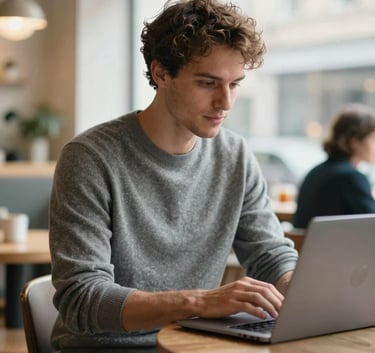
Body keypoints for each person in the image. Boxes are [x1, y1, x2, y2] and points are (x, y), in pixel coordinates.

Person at [49, 0, 298, 351]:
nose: (225, 102)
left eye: (235, 84)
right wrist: (199, 303)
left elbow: (270, 254)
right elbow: (82, 298)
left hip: (194, 345)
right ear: (162, 73)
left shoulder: (236, 156)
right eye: (208, 83)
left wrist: (300, 291)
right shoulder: (90, 158)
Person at [293, 103, 375, 229]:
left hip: (309, 247)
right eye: (373, 139)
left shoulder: (315, 172)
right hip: (339, 248)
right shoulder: (351, 178)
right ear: (355, 142)